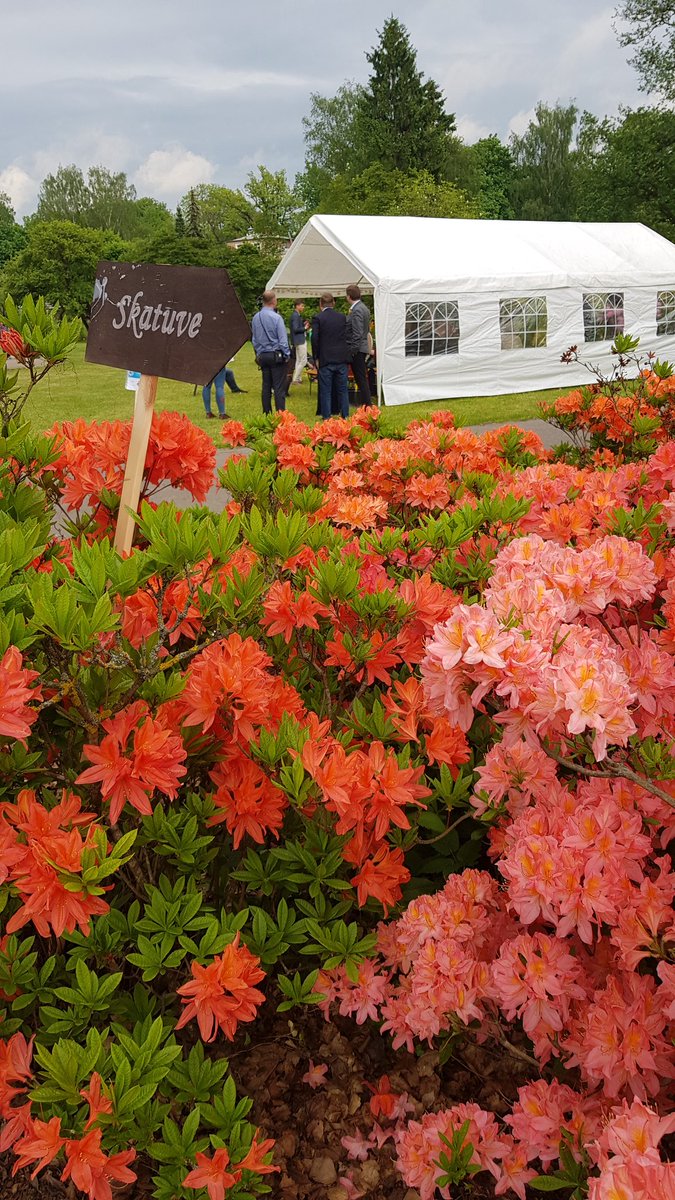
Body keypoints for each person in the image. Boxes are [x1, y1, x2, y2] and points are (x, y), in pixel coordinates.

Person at [311, 293, 350, 420]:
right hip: (341, 357)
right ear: (333, 303)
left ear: (320, 304)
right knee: (343, 389)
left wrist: (316, 356)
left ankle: (327, 416)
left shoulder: (318, 318)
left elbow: (315, 339)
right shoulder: (342, 317)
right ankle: (345, 415)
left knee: (326, 390)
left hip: (326, 358)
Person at [251, 291, 290, 414]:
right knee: (278, 387)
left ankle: (266, 413)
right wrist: (287, 354)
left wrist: (258, 352)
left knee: (266, 386)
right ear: (273, 301)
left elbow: (254, 339)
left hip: (263, 355)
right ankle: (280, 414)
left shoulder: (256, 317)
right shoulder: (277, 318)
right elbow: (283, 340)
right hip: (276, 355)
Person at [345, 283, 372, 406]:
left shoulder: (356, 310)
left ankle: (367, 403)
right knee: (361, 376)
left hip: (358, 348)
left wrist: (353, 350)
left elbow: (357, 332)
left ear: (349, 296)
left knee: (360, 377)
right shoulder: (364, 308)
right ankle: (366, 402)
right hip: (362, 346)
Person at [290, 299, 309, 385]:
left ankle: (297, 378)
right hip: (300, 340)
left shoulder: (296, 315)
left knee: (298, 360)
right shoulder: (295, 316)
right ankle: (295, 379)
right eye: (302, 306)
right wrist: (305, 328)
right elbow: (295, 329)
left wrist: (303, 324)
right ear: (297, 306)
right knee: (303, 361)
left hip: (297, 340)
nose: (303, 307)